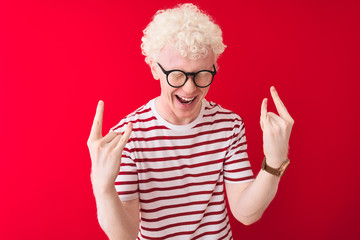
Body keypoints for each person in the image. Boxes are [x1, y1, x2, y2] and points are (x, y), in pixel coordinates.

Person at [87, 3, 294, 240]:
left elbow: (245, 214)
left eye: (201, 74)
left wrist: (275, 164)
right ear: (154, 68)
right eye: (177, 74)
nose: (190, 88)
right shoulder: (127, 137)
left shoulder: (229, 125)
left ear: (214, 67)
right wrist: (103, 188)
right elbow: (124, 236)